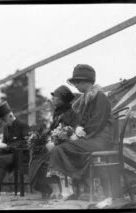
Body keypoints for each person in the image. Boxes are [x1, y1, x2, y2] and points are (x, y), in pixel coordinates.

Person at [48, 64, 114, 200]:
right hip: (91, 138)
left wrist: (78, 135)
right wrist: (76, 129)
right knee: (60, 147)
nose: (75, 85)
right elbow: (81, 121)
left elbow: (97, 122)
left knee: (62, 148)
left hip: (100, 140)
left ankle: (80, 187)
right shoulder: (85, 99)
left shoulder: (100, 97)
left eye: (77, 82)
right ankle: (78, 188)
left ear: (86, 81)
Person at [28, 85, 78, 199]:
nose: (52, 99)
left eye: (55, 97)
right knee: (36, 153)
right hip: (57, 141)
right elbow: (52, 130)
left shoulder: (69, 113)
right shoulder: (58, 112)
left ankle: (56, 189)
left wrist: (52, 139)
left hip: (66, 143)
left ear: (62, 99)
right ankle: (48, 188)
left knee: (44, 157)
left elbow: (67, 132)